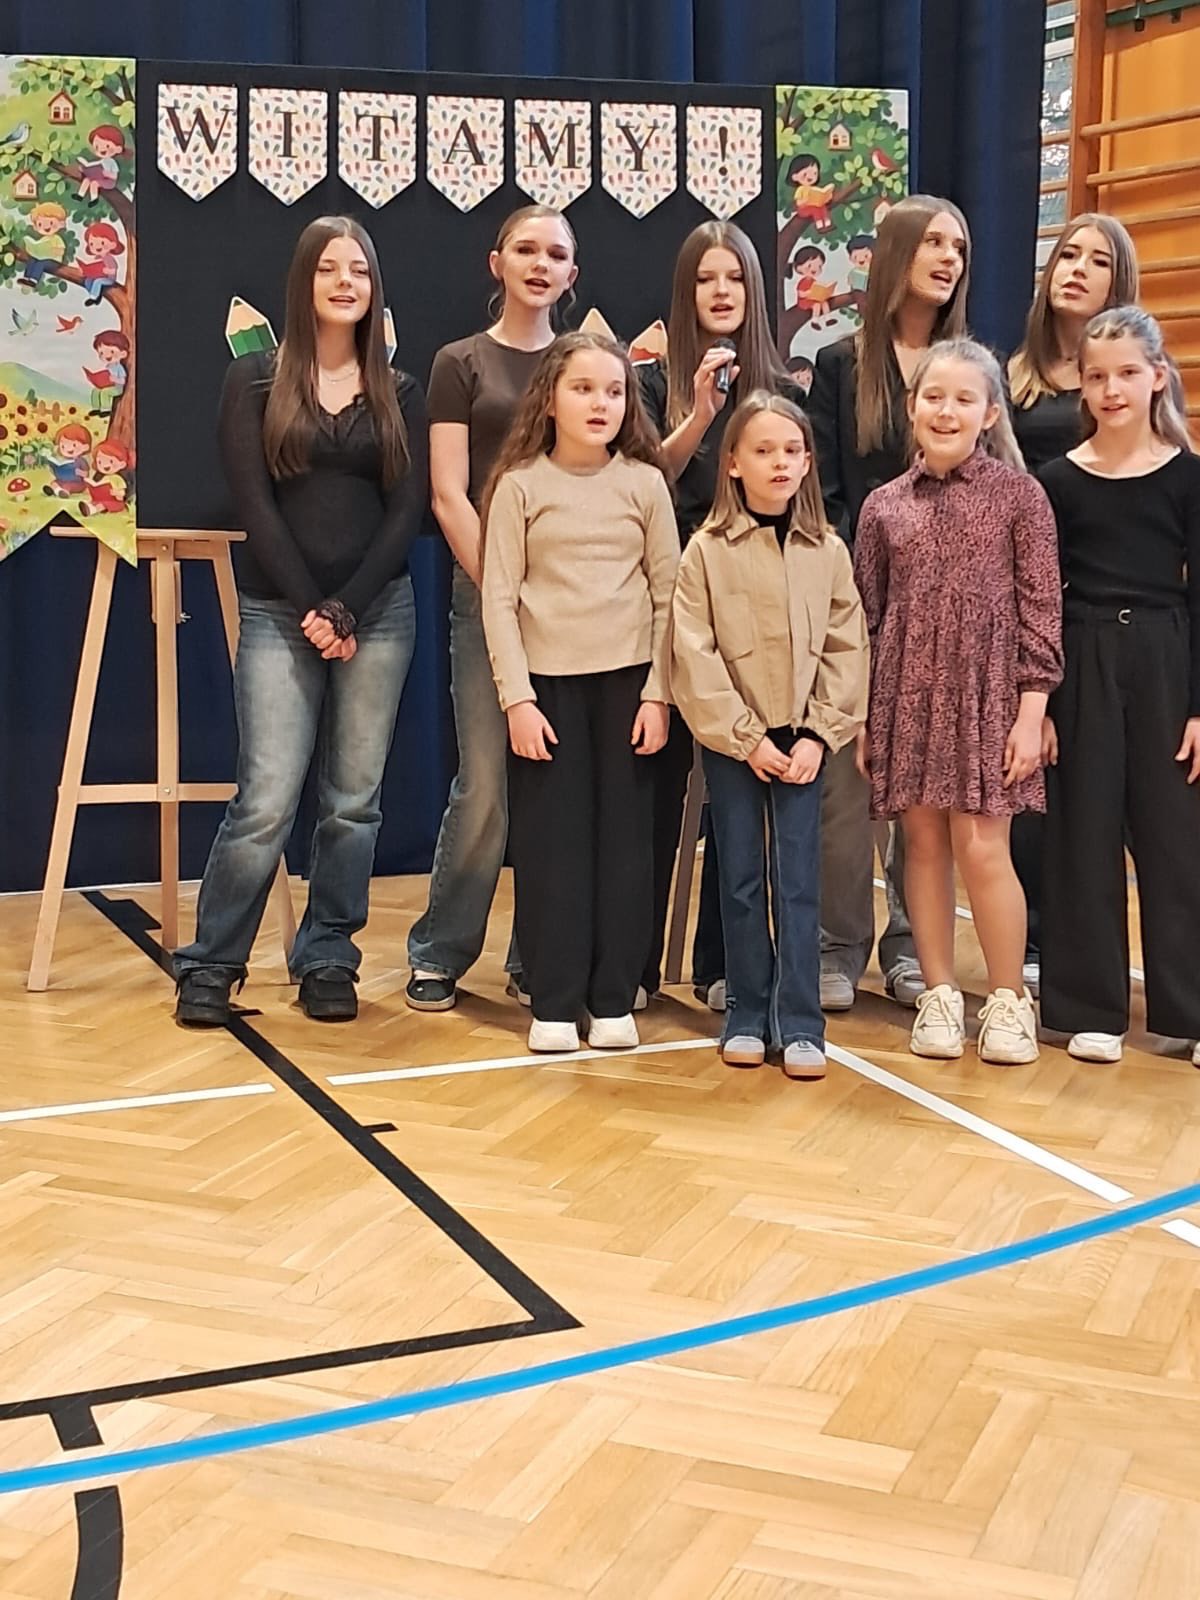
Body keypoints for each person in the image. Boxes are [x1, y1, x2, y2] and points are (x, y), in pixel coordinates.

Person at [174, 216, 428, 1027]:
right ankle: (211, 964)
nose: (346, 282)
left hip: (378, 613)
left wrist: (349, 605)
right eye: (329, 268)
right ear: (303, 282)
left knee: (353, 802)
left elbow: (408, 512)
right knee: (266, 799)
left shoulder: (400, 388)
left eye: (360, 270)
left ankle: (327, 956)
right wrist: (315, 608)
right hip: (279, 611)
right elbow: (253, 505)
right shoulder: (253, 378)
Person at [854, 339, 1063, 1065]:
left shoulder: (1020, 497)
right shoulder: (882, 507)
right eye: (933, 397)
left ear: (989, 413)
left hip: (988, 697)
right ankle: (939, 994)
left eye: (964, 399)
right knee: (921, 845)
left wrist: (1031, 713)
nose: (947, 411)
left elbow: (1041, 612)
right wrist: (868, 718)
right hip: (906, 694)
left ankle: (1007, 1000)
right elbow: (869, 617)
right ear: (912, 407)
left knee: (982, 846)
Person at [481, 331, 677, 1054]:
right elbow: (498, 599)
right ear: (550, 400)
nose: (601, 403)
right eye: (584, 389)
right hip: (547, 692)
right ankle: (556, 1000)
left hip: (629, 688)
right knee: (552, 846)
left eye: (614, 391)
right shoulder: (520, 485)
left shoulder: (645, 485)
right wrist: (517, 699)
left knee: (625, 846)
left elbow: (669, 594)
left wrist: (659, 694)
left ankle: (613, 995)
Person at [406, 204, 578, 1013]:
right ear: (497, 262)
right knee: (485, 785)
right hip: (486, 600)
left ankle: (538, 955)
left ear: (572, 275)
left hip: (575, 607)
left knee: (555, 789)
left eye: (556, 254)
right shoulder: (460, 362)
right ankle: (439, 952)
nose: (540, 264)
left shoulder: (584, 363)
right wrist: (504, 591)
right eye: (526, 250)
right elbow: (448, 494)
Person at [671, 392, 868, 1079]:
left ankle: (802, 1022)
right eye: (763, 450)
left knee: (799, 880)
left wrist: (818, 734)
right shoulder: (705, 552)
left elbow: (846, 646)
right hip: (737, 744)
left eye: (791, 450)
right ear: (733, 463)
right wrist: (744, 736)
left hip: (804, 742)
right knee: (741, 878)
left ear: (809, 462)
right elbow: (693, 653)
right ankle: (746, 1012)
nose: (779, 463)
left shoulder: (828, 550)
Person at [808, 194, 972, 1015]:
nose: (948, 258)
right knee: (850, 785)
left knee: (928, 790)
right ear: (897, 251)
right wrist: (858, 591)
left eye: (959, 247)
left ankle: (912, 946)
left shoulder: (970, 366)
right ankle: (838, 943)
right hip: (859, 606)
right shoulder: (841, 363)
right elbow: (827, 492)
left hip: (949, 616)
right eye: (934, 242)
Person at [637, 220, 803, 1013]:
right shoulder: (648, 382)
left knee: (739, 804)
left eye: (734, 277)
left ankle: (724, 965)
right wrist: (702, 412)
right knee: (660, 789)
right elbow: (646, 485)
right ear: (686, 291)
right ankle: (635, 964)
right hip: (672, 605)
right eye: (706, 278)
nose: (721, 291)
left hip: (758, 617)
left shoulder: (786, 390)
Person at [1038, 306, 1200, 1067]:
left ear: (1157, 377)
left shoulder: (1190, 477)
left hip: (1166, 655)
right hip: (1083, 654)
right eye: (1097, 376)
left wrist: (1198, 706)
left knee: (1176, 838)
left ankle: (1190, 1009)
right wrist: (1039, 704)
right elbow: (1041, 601)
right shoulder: (1058, 482)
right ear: (1081, 384)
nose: (1112, 390)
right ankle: (1088, 1007)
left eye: (1128, 373)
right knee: (1084, 830)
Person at [1007, 213, 1139, 991]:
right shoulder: (1013, 378)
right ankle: (1032, 941)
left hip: (1101, 597)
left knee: (1102, 788)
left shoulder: (1125, 383)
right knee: (1031, 776)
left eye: (1097, 261)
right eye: (1067, 254)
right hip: (1027, 598)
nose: (1077, 269)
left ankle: (1095, 952)